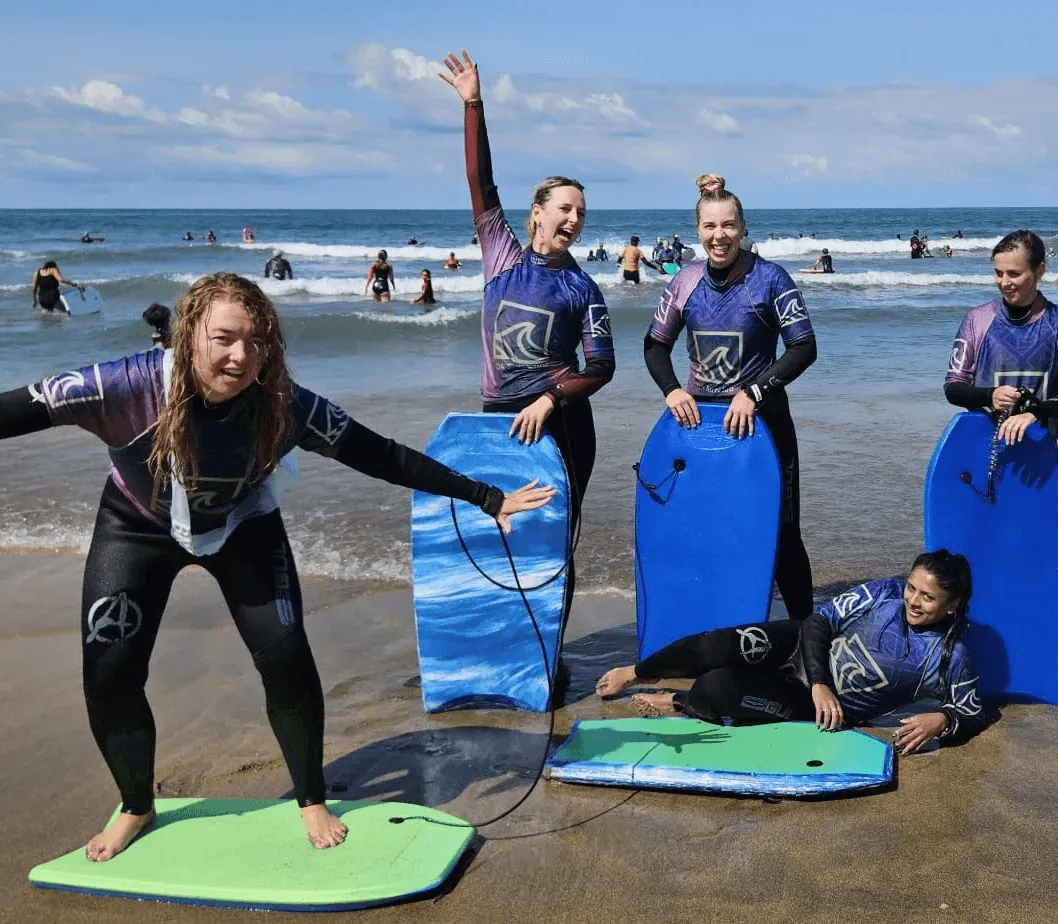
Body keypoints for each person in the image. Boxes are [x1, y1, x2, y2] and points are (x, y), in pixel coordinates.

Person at [0, 272, 554, 862]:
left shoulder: (283, 405)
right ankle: (136, 804)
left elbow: (380, 454)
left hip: (243, 527)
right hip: (138, 524)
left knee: (287, 657)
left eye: (257, 342)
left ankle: (311, 796)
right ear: (188, 336)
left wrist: (485, 497)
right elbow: (14, 410)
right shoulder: (123, 387)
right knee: (109, 671)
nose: (241, 357)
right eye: (224, 338)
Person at [442, 49, 615, 628]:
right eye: (564, 209)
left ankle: (549, 650)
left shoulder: (584, 288)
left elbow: (602, 365)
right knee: (497, 530)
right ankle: (503, 637)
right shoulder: (501, 255)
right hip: (498, 420)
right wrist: (473, 104)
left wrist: (551, 397)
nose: (573, 220)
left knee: (553, 540)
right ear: (536, 213)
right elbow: (480, 180)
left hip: (560, 424)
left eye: (581, 214)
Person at [595, 551, 986, 753]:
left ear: (952, 604)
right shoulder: (883, 592)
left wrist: (941, 720)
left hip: (810, 706)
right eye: (912, 588)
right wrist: (820, 680)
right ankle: (639, 670)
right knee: (716, 645)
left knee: (718, 687)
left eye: (928, 597)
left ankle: (681, 702)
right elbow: (818, 622)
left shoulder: (950, 656)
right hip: (797, 647)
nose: (913, 601)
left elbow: (970, 713)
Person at [644, 184, 817, 621]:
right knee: (708, 525)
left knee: (782, 531)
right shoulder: (684, 281)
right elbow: (654, 346)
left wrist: (754, 392)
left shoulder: (771, 279)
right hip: (701, 425)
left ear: (743, 228)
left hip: (765, 425)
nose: (718, 234)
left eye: (728, 224)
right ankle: (715, 618)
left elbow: (803, 347)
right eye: (709, 225)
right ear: (697, 231)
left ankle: (803, 636)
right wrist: (672, 390)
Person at [944, 230, 1058, 443]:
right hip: (982, 445)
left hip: (1041, 449)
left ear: (1039, 270)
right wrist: (989, 396)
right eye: (998, 273)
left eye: (1014, 274)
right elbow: (953, 387)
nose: (1004, 282)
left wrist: (1036, 413)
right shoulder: (977, 319)